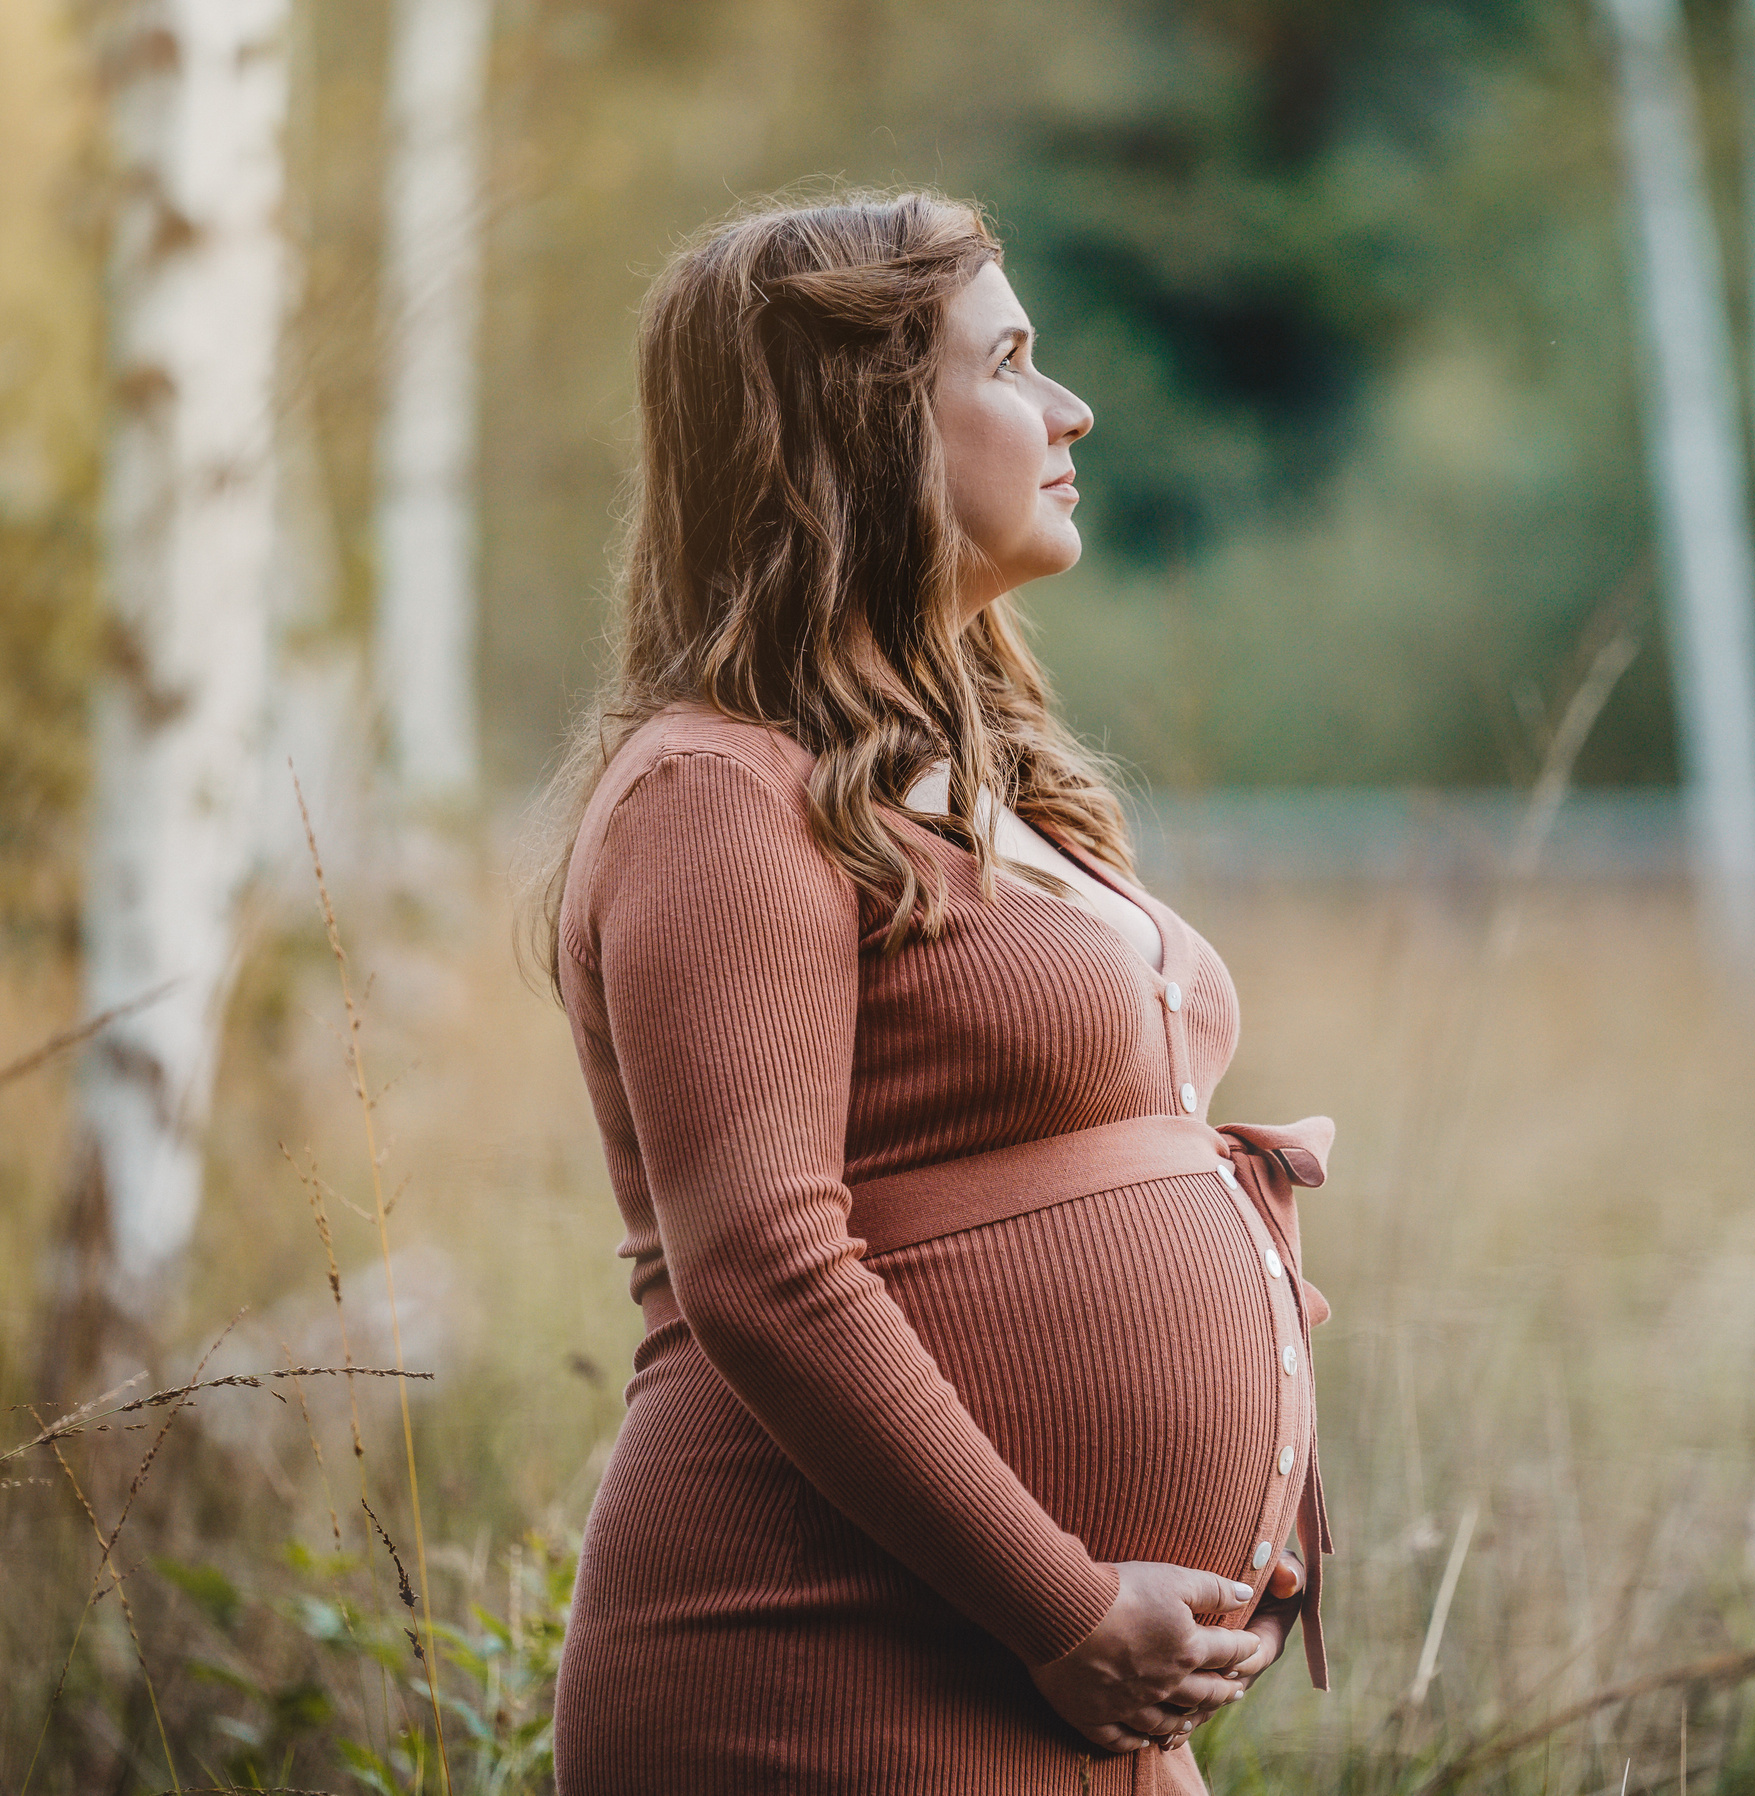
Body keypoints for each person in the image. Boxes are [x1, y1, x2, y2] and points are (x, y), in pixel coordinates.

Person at [537, 188, 1335, 1794]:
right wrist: (1063, 1608)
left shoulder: (970, 783)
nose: (1072, 408)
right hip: (816, 1665)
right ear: (861, 427)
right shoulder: (715, 791)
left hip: (1047, 1677)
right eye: (1016, 361)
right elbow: (760, 1262)